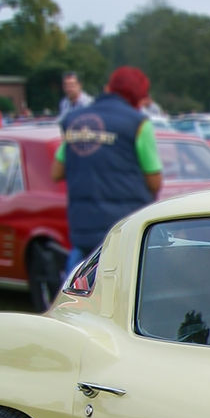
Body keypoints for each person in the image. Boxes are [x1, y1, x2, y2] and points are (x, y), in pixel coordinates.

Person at [50, 66, 162, 274]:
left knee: (78, 291)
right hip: (125, 229)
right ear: (138, 97)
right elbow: (154, 181)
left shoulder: (76, 121)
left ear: (108, 87)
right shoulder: (138, 124)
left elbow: (57, 171)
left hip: (83, 228)